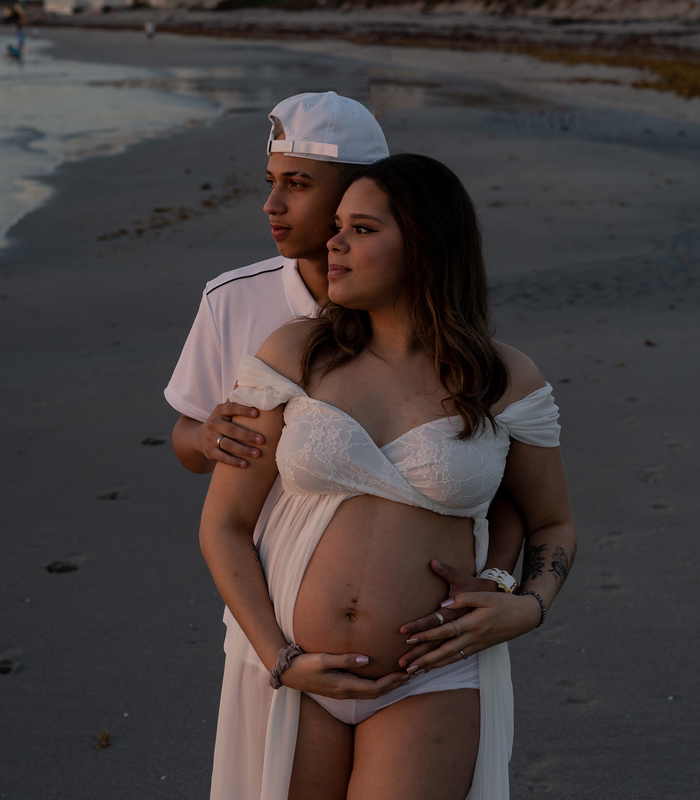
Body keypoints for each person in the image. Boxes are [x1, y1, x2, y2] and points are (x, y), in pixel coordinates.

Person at [199, 153, 577, 799]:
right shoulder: (294, 354)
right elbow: (225, 526)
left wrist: (526, 606)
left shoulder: (503, 380)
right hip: (292, 670)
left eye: (363, 229)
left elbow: (552, 522)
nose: (334, 243)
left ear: (425, 244)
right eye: (336, 227)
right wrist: (279, 659)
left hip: (432, 675)